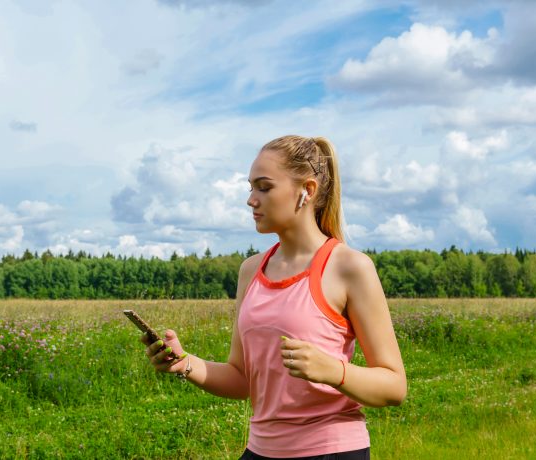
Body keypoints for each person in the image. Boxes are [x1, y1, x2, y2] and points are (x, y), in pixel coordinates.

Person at [142, 135, 407, 459]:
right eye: (250, 187)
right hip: (260, 450)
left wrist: (335, 371)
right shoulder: (250, 270)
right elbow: (242, 379)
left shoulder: (350, 267)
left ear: (306, 191)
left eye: (264, 187)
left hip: (331, 451)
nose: (251, 200)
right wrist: (186, 363)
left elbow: (395, 387)